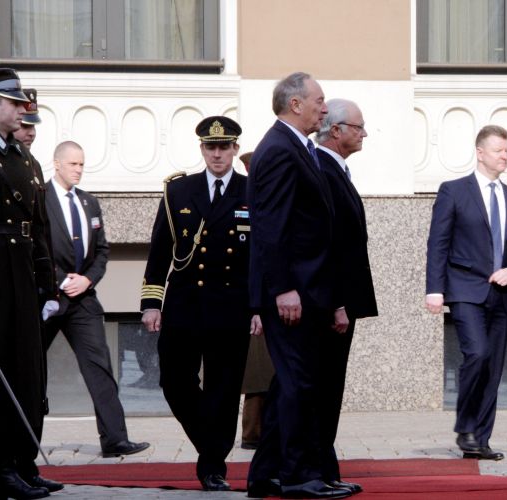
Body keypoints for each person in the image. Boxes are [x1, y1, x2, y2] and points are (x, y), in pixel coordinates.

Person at [245, 72, 353, 499]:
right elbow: (271, 226)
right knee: (298, 385)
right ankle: (297, 475)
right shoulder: (278, 149)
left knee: (291, 383)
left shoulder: (297, 147)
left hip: (311, 291)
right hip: (293, 293)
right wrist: (283, 288)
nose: (324, 108)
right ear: (295, 104)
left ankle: (265, 474)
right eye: (319, 100)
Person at [141, 116, 259, 492]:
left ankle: (212, 467)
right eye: (211, 147)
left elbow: (261, 255)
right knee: (174, 381)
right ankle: (210, 442)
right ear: (202, 150)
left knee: (223, 390)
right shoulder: (179, 190)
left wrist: (258, 307)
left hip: (232, 305)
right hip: (185, 303)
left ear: (235, 149)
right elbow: (161, 249)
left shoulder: (251, 190)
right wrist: (151, 303)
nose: (217, 154)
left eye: (224, 147)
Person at [425, 124, 507, 461]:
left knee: (493, 368)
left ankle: (480, 440)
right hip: (465, 290)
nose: (505, 156)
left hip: (503, 294)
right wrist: (434, 289)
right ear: (480, 153)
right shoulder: (454, 191)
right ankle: (466, 426)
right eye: (498, 150)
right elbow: (438, 243)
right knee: (477, 354)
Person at [44, 141, 149, 460]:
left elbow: (102, 251)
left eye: (81, 164)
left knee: (100, 367)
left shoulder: (88, 202)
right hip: (47, 298)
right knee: (29, 370)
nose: (78, 170)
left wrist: (87, 279)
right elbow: (35, 248)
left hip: (84, 301)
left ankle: (115, 439)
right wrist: (61, 279)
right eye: (72, 164)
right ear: (57, 164)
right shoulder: (39, 199)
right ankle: (20, 444)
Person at [0, 68, 57, 500]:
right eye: (15, 103)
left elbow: (38, 228)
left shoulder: (23, 158)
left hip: (21, 270)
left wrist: (46, 286)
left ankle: (22, 461)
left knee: (26, 371)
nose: (23, 110)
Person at [316, 99, 378, 490]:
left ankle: (321, 466)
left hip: (337, 301)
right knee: (324, 387)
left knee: (326, 387)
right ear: (336, 130)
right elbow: (327, 243)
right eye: (358, 127)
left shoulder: (334, 169)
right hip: (329, 305)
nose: (364, 133)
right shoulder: (323, 171)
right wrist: (336, 302)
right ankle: (319, 469)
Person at [237, 151, 275, 451]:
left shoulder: (270, 200)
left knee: (267, 372)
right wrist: (255, 307)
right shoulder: (243, 202)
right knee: (258, 375)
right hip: (252, 301)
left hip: (271, 298)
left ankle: (265, 432)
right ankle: (253, 433)